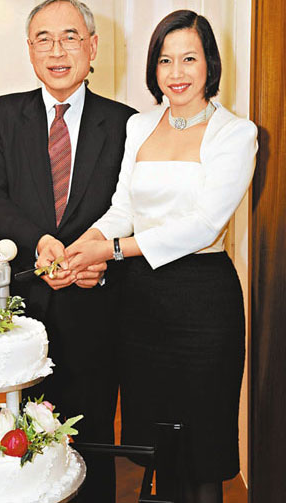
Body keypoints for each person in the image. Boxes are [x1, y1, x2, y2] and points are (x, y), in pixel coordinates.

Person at [67, 9, 257, 503]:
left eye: (189, 58)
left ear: (209, 63)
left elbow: (205, 224)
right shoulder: (140, 125)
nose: (176, 72)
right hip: (142, 301)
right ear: (154, 67)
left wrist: (113, 249)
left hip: (204, 300)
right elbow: (123, 208)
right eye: (165, 60)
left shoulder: (236, 134)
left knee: (203, 444)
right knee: (159, 443)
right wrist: (86, 243)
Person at [0, 0, 136, 501]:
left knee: (93, 440)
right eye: (44, 39)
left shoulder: (127, 124)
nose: (57, 51)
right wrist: (38, 241)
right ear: (29, 49)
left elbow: (132, 209)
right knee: (21, 439)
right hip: (24, 310)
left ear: (93, 46)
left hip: (97, 305)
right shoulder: (0, 115)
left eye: (70, 37)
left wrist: (99, 263)